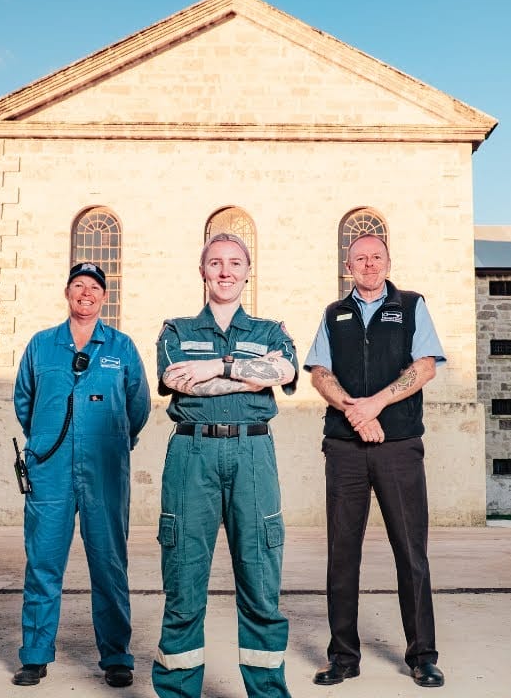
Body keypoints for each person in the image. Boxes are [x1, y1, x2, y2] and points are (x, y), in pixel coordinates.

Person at [152, 233, 298, 698]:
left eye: (235, 263)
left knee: (260, 582)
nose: (225, 271)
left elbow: (286, 372)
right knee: (183, 582)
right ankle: (177, 692)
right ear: (202, 271)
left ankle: (268, 692)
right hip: (191, 456)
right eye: (215, 262)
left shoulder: (272, 331)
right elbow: (179, 383)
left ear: (248, 271)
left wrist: (219, 366)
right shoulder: (175, 330)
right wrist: (250, 375)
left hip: (253, 456)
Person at [304, 234, 447, 689]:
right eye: (360, 258)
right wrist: (354, 411)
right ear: (349, 266)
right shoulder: (333, 314)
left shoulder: (410, 305)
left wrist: (377, 405)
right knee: (342, 556)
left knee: (411, 551)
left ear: (389, 261)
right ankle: (343, 657)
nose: (368, 264)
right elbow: (319, 373)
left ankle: (422, 655)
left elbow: (425, 367)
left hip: (399, 445)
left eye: (376, 257)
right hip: (345, 448)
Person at [11, 262, 150, 689]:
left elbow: (139, 405)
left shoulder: (122, 347)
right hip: (49, 469)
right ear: (67, 292)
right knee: (43, 564)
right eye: (78, 286)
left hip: (104, 470)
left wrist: (112, 443)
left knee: (109, 564)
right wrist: (45, 440)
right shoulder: (41, 345)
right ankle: (35, 656)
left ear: (104, 297)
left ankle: (116, 657)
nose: (85, 293)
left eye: (94, 287)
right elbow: (24, 400)